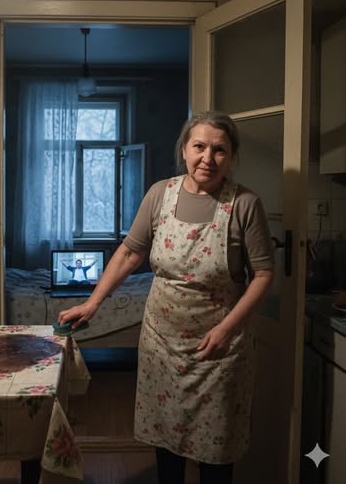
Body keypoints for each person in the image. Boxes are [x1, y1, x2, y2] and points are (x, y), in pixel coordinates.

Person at [58, 111, 274, 484]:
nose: (207, 158)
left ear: (231, 157)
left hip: (218, 349)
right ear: (184, 150)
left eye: (219, 150)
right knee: (167, 442)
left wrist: (226, 329)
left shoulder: (245, 204)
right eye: (199, 146)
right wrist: (92, 303)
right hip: (161, 343)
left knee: (217, 451)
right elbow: (129, 253)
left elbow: (264, 275)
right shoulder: (161, 194)